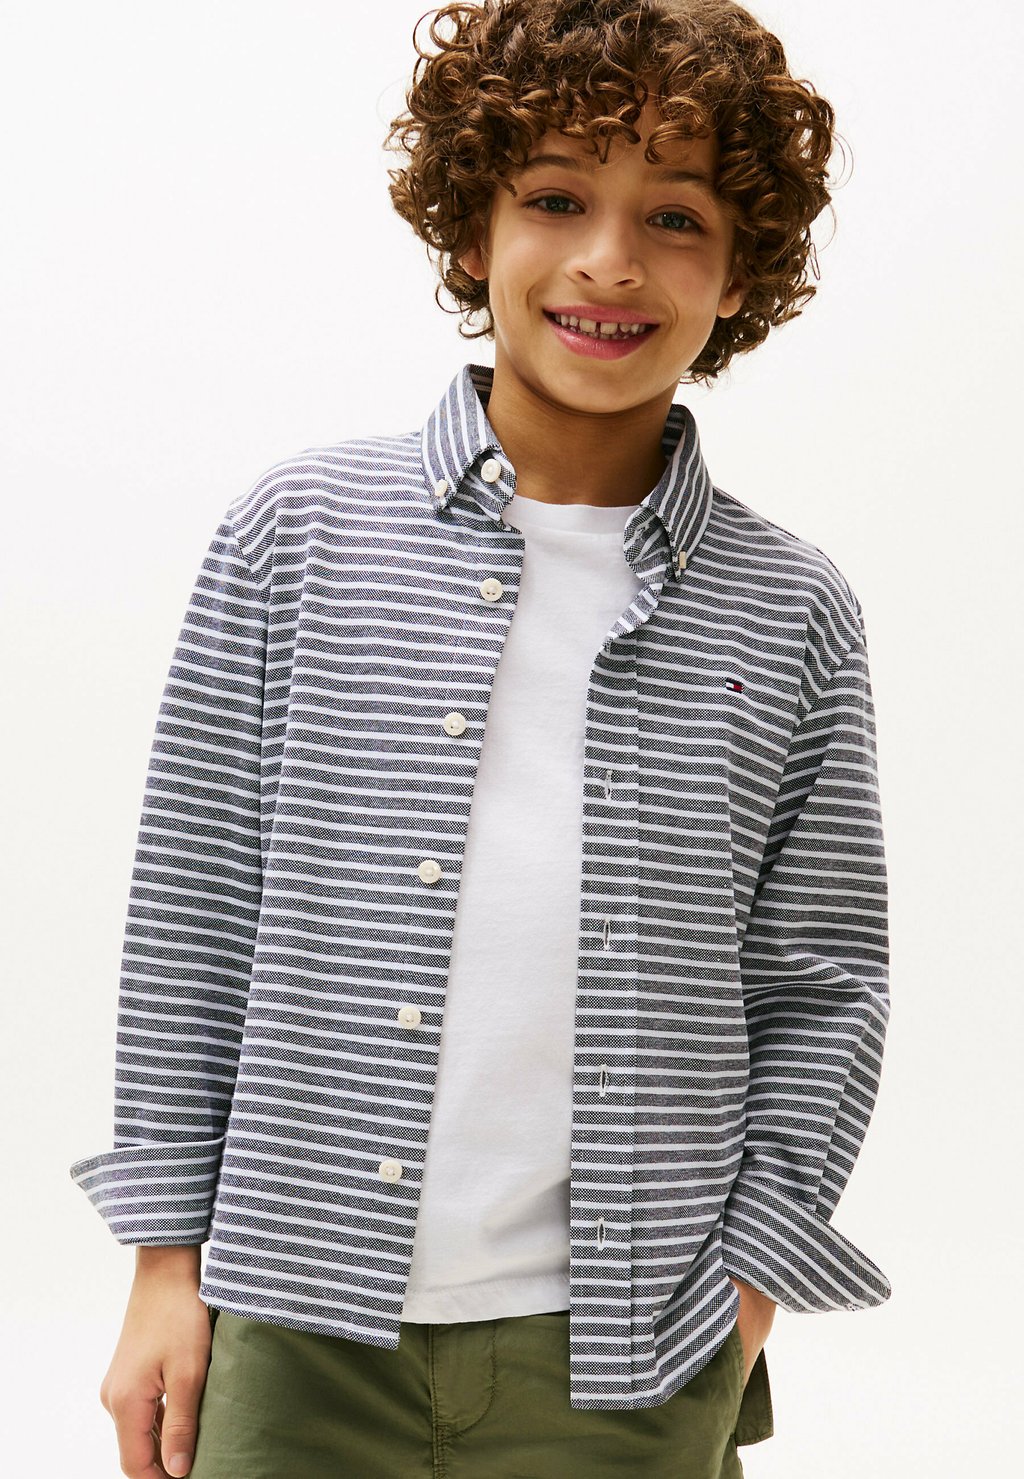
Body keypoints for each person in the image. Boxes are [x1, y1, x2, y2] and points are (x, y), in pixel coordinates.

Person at [69, 2, 893, 1476]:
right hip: (294, 1324)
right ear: (472, 228)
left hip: (636, 1347)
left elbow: (822, 981)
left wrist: (752, 1288)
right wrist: (163, 1267)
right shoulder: (300, 535)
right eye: (557, 198)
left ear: (740, 271)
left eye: (676, 218)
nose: (609, 261)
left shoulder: (791, 608)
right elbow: (193, 917)